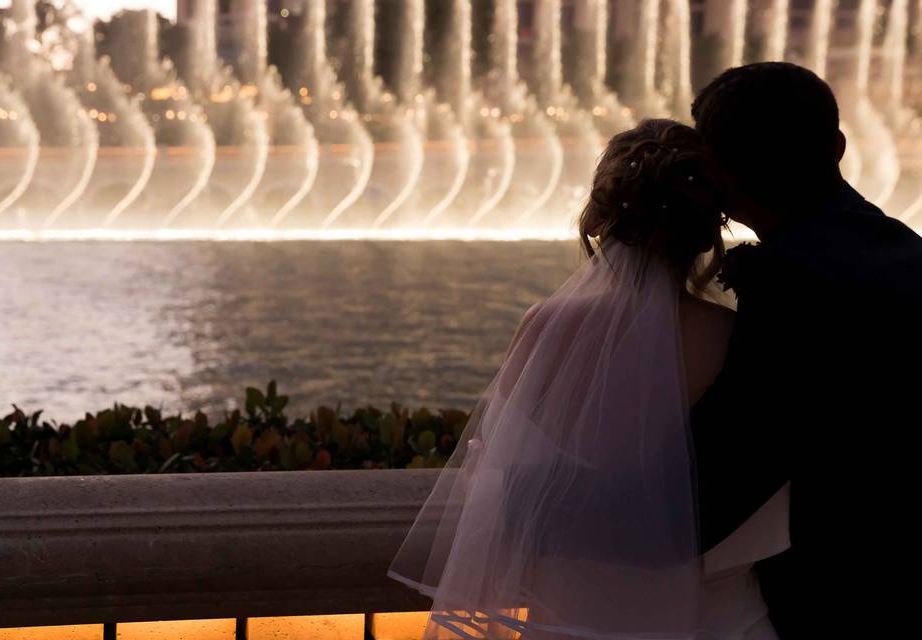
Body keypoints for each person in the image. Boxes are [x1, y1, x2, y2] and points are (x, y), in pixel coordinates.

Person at [388, 119, 788, 639]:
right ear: (709, 226)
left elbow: (505, 485)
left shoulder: (544, 331)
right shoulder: (737, 337)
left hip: (574, 617)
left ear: (600, 216)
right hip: (724, 619)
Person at [690, 62, 922, 638]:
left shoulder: (788, 280)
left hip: (843, 598)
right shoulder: (907, 251)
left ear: (716, 172)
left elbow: (728, 470)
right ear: (839, 146)